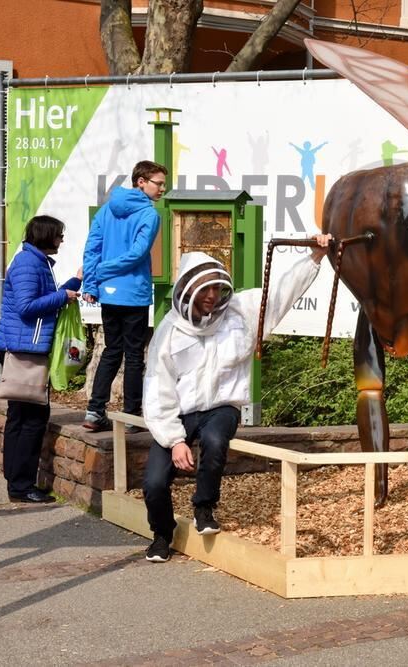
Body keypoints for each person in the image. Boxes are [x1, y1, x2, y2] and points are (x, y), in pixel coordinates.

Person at [141, 235, 332, 562]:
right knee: (154, 482)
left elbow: (280, 294)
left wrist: (315, 255)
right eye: (205, 290)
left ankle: (204, 508)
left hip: (222, 408)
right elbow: (158, 389)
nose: (212, 297)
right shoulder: (170, 331)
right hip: (179, 414)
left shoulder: (240, 312)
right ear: (188, 289)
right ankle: (162, 534)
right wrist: (174, 441)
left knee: (215, 440)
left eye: (216, 289)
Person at [0, 215, 82, 503]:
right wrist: (62, 297)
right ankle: (21, 486)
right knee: (31, 419)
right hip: (23, 349)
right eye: (58, 235)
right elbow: (27, 307)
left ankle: (16, 482)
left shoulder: (33, 261)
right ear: (45, 236)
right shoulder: (28, 264)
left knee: (20, 417)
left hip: (21, 346)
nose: (61, 240)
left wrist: (74, 283)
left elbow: (43, 297)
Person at [80, 160, 167, 433]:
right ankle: (132, 417)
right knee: (133, 356)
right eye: (159, 183)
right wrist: (103, 270)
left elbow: (92, 249)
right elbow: (138, 253)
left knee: (111, 351)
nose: (162, 189)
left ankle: (95, 412)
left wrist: (94, 282)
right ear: (141, 181)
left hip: (108, 292)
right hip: (134, 294)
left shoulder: (107, 210)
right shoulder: (150, 215)